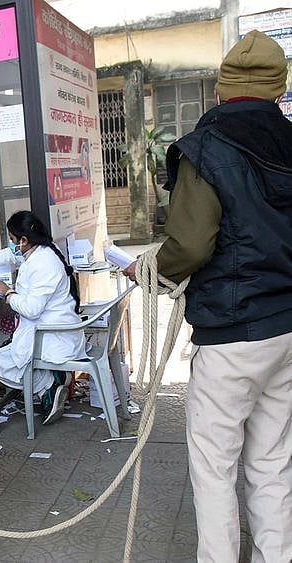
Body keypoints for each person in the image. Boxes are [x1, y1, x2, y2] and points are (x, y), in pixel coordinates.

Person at [124, 31, 292, 562]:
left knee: (215, 464)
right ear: (278, 91)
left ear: (221, 91)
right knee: (272, 461)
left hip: (231, 331)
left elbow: (192, 243)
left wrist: (147, 269)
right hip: (286, 327)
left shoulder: (208, 145)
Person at [0, 210, 86, 424]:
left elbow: (31, 309)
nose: (12, 245)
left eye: (13, 240)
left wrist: (6, 292)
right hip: (51, 328)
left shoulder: (43, 263)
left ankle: (47, 386)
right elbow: (9, 254)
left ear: (24, 240)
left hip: (53, 336)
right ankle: (50, 381)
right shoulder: (41, 249)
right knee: (7, 353)